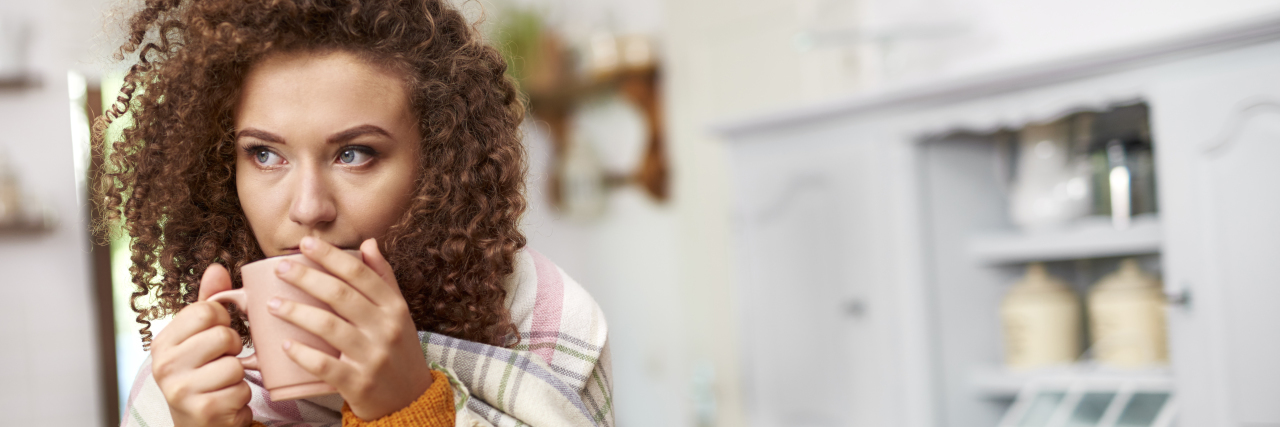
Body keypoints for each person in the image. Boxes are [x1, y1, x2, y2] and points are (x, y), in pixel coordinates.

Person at [92, 0, 613, 426]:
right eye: (265, 155)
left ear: (436, 162)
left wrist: (407, 408)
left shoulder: (548, 324)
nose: (308, 208)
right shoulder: (187, 380)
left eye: (354, 154)